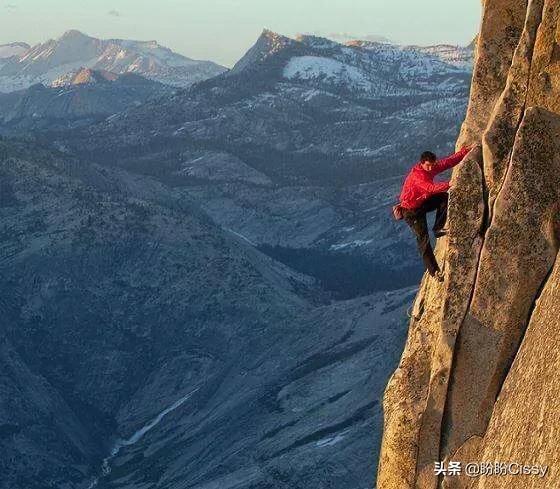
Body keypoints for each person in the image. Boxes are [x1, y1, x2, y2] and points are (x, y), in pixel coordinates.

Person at [394, 146, 471, 280]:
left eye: (432, 165)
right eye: (428, 166)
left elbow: (447, 162)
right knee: (423, 240)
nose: (431, 168)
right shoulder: (417, 176)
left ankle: (438, 228)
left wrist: (465, 151)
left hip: (420, 204)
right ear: (422, 163)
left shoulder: (430, 167)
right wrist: (449, 184)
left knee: (444, 198)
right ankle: (434, 272)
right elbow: (430, 188)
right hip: (411, 212)